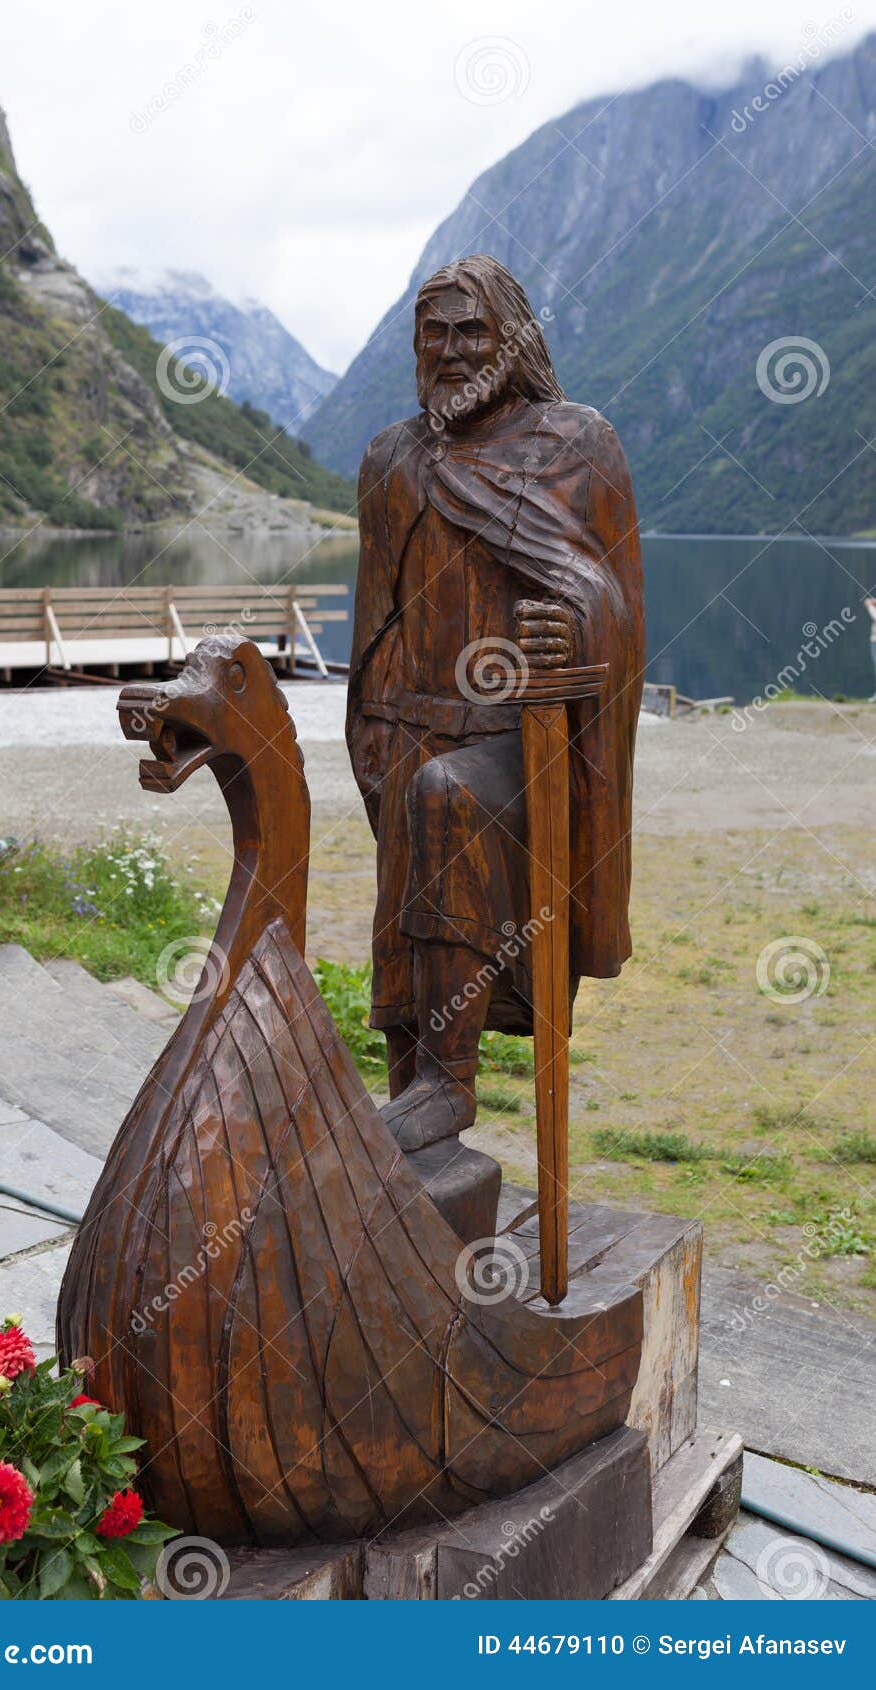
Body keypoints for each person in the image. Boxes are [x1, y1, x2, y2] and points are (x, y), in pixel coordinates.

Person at [347, 254, 644, 1151]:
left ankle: (451, 1083)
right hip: (405, 723)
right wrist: (372, 729)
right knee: (403, 919)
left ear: (511, 336)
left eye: (469, 329)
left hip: (524, 741)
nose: (448, 349)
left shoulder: (573, 442)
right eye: (430, 332)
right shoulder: (392, 458)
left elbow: (618, 596)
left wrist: (581, 630)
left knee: (449, 798)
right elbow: (373, 621)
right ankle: (418, 1120)